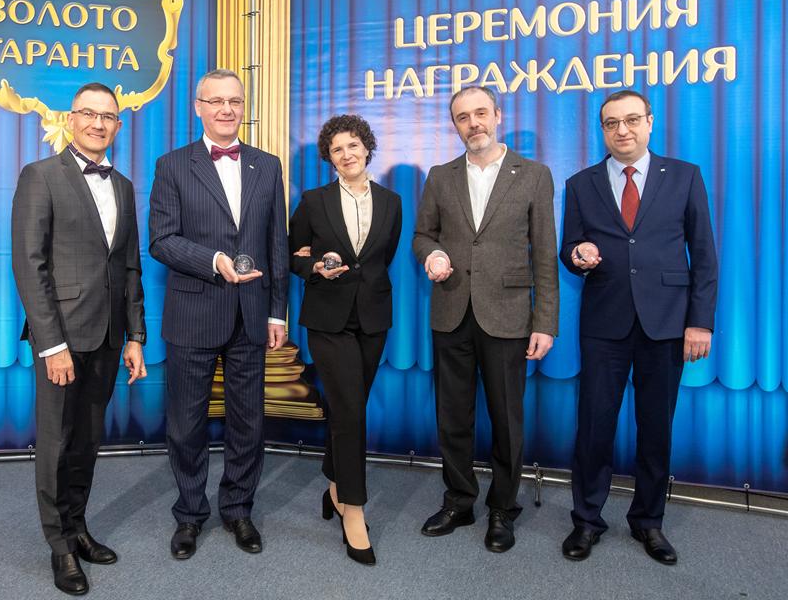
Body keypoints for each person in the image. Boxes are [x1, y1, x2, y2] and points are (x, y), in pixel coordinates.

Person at [559, 89, 718, 565]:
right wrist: (577, 254)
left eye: (631, 120)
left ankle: (649, 521)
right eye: (611, 123)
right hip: (604, 322)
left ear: (649, 122)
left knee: (655, 429)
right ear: (602, 130)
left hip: (666, 323)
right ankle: (587, 521)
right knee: (594, 427)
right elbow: (569, 247)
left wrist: (700, 322)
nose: (622, 130)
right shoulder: (581, 183)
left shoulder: (684, 176)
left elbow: (704, 254)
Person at [11, 82, 148, 596]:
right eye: (88, 114)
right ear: (71, 119)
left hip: (109, 337)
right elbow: (30, 266)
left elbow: (129, 266)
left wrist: (135, 336)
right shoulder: (40, 176)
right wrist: (51, 345)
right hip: (62, 338)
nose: (97, 123)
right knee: (57, 442)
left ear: (118, 125)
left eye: (107, 116)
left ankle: (78, 526)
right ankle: (60, 545)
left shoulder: (125, 186)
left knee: (88, 441)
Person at [148, 69, 288, 560]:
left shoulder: (267, 165)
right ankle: (189, 514)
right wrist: (213, 261)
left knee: (248, 422)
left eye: (235, 101)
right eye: (216, 101)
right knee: (186, 424)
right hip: (193, 312)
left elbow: (276, 243)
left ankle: (238, 509)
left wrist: (277, 313)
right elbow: (162, 240)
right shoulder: (172, 165)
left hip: (251, 315)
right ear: (198, 107)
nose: (227, 109)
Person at [412, 85, 559, 552]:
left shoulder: (534, 175)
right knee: (452, 415)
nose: (473, 123)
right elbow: (422, 235)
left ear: (497, 115)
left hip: (509, 315)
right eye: (462, 117)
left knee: (506, 419)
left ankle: (503, 509)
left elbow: (545, 254)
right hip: (451, 310)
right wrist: (432, 254)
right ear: (454, 125)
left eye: (480, 113)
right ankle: (459, 501)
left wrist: (545, 322)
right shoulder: (441, 176)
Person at [288, 115, 402, 566]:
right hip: (328, 320)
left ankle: (334, 484)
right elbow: (291, 255)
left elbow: (382, 259)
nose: (347, 154)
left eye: (353, 145)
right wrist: (314, 266)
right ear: (329, 158)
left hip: (372, 319)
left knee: (347, 409)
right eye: (337, 149)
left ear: (367, 148)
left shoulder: (391, 202)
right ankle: (352, 509)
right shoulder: (313, 201)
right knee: (351, 411)